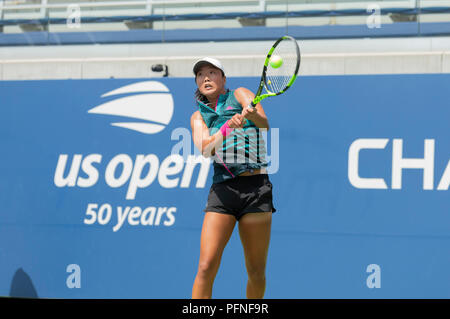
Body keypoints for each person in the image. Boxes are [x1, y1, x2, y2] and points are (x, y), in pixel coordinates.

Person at [190, 57, 276, 299]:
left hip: (256, 189)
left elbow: (264, 123)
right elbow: (206, 149)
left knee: (256, 271)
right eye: (200, 75)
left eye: (212, 72)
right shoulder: (198, 117)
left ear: (223, 78)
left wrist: (250, 115)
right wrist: (228, 127)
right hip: (223, 192)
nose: (205, 78)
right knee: (206, 267)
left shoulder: (240, 94)